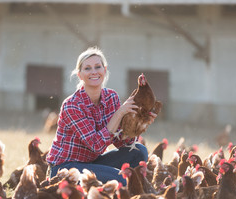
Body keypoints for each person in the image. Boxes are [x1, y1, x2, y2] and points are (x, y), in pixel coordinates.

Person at [46, 46, 157, 185]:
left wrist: (137, 124)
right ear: (79, 74)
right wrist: (120, 113)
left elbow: (120, 142)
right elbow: (95, 145)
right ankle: (124, 188)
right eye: (87, 68)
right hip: (65, 168)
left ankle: (133, 190)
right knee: (121, 180)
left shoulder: (111, 97)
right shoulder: (72, 105)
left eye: (97, 66)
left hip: (92, 162)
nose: (93, 72)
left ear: (104, 70)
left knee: (139, 151)